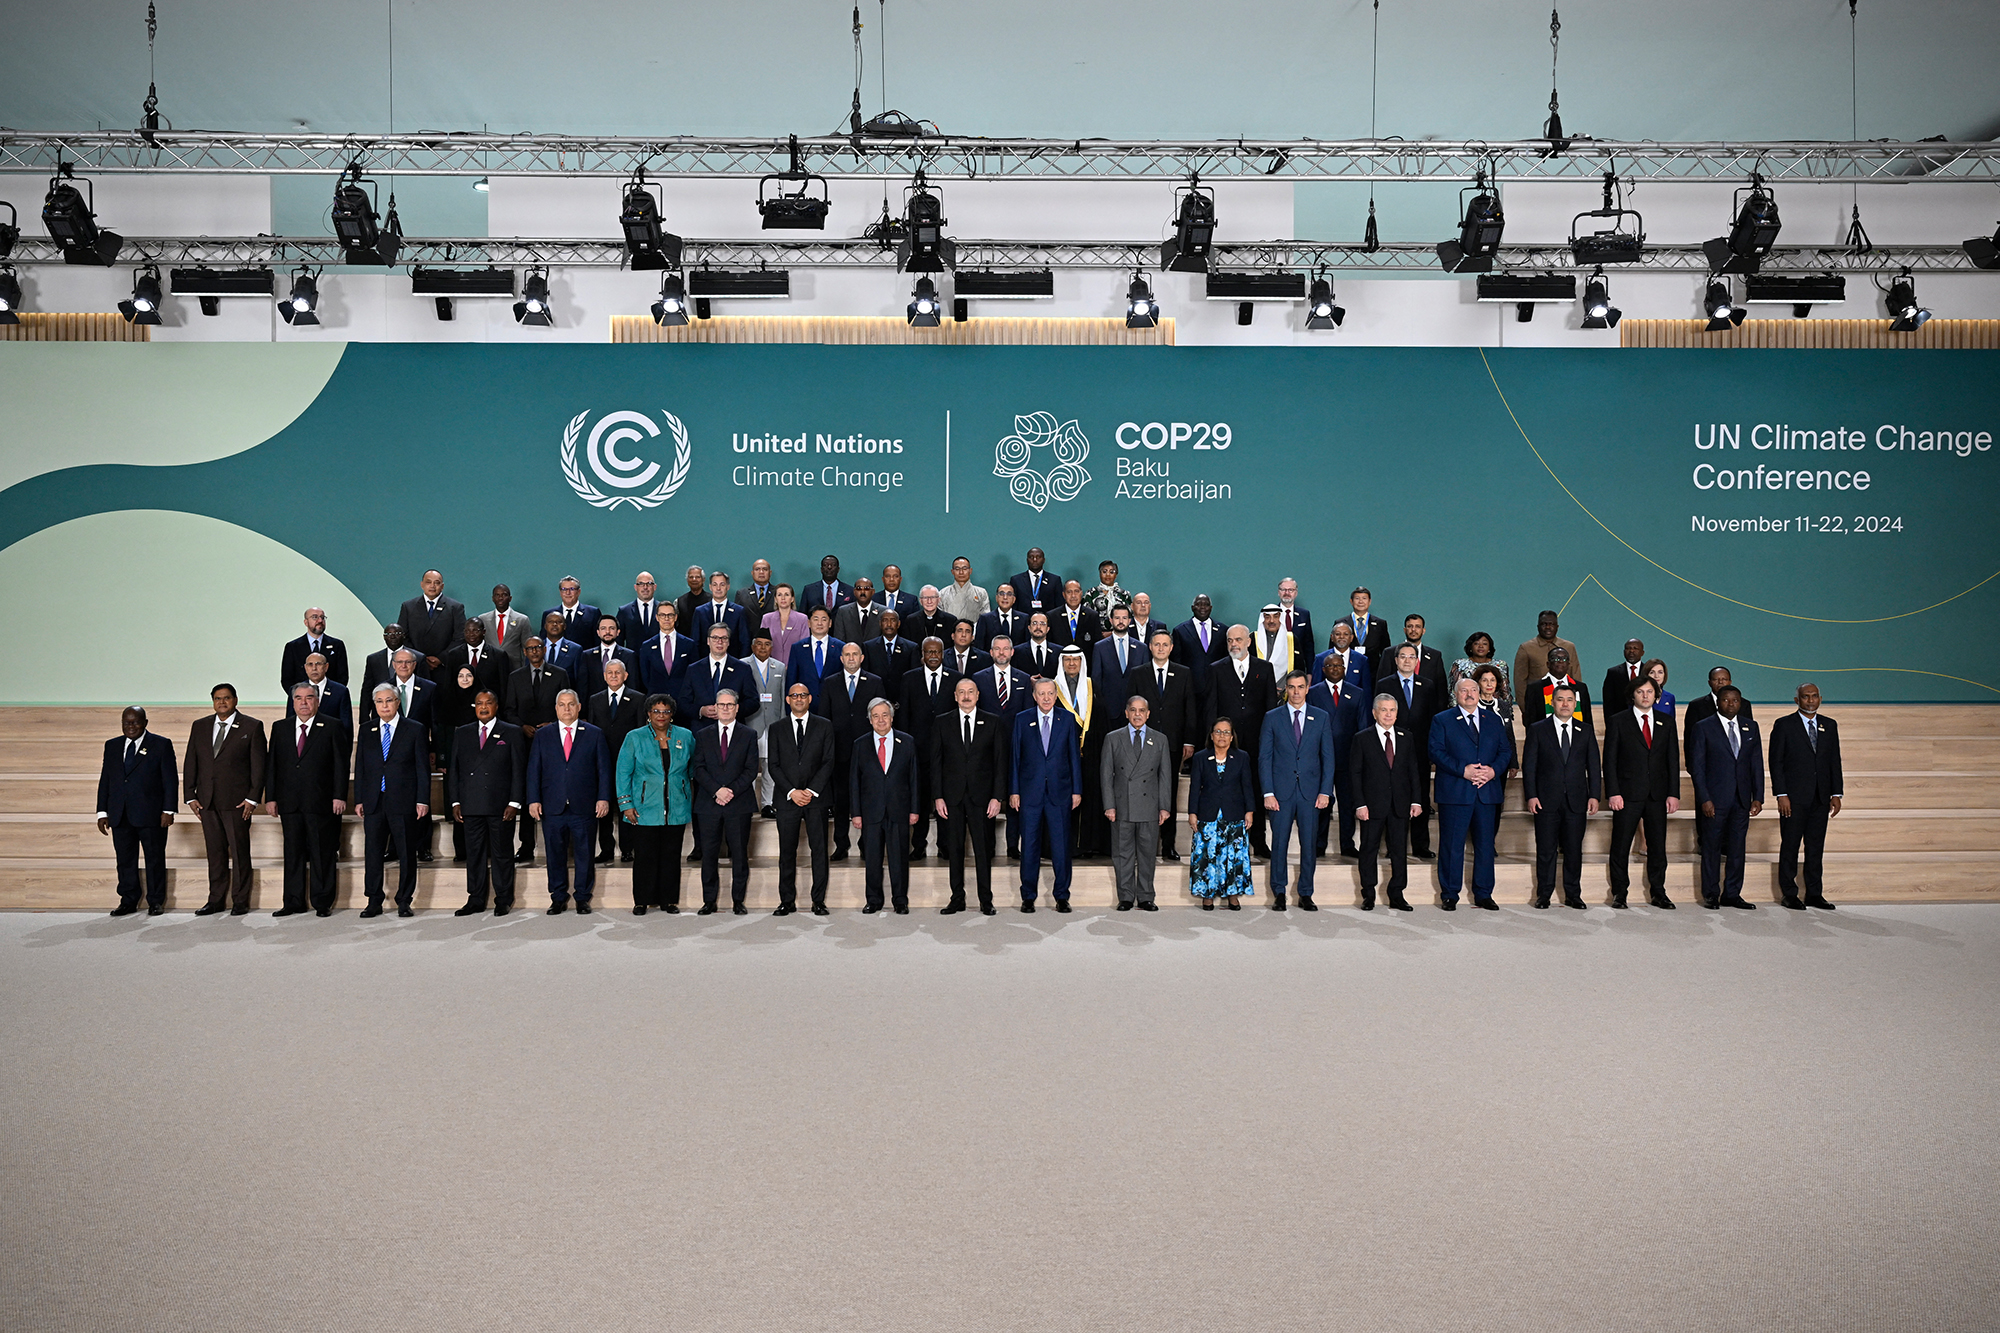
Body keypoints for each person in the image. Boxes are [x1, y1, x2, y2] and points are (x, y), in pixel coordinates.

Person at [1429, 677, 1515, 911]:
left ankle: (1484, 893)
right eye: (1463, 690)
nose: (1469, 694)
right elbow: (1435, 751)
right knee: (1452, 845)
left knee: (1485, 845)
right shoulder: (1442, 719)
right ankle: (1449, 894)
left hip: (1487, 792)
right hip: (1456, 792)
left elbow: (1505, 751)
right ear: (1456, 695)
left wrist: (1493, 771)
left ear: (1479, 693)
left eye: (1473, 690)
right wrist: (1463, 771)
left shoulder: (1493, 719)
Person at [183, 683, 266, 916]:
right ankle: (215, 900)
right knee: (215, 853)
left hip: (238, 803)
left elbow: (259, 768)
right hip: (207, 802)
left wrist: (252, 798)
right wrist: (190, 795)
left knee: (239, 852)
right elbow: (192, 761)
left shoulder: (252, 726)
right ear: (213, 701)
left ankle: (240, 900)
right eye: (218, 698)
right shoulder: (199, 726)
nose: (222, 702)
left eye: (227, 698)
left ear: (235, 700)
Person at [526, 689, 612, 914]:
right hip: (552, 805)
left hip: (584, 805)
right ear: (556, 708)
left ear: (579, 706)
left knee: (585, 853)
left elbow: (604, 770)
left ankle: (583, 897)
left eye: (571, 704)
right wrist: (533, 799)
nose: (566, 708)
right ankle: (558, 896)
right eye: (562, 705)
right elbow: (534, 769)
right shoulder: (543, 735)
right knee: (554, 854)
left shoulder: (594, 734)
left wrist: (603, 797)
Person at [266, 684, 348, 918]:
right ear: (292, 702)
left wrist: (339, 795)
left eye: (309, 698)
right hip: (289, 802)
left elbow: (341, 765)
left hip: (321, 802)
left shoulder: (332, 725)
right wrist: (270, 798)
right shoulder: (280, 728)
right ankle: (293, 901)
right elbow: (272, 766)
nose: (304, 702)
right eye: (299, 698)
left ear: (317, 701)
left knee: (322, 852)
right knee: (292, 853)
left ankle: (322, 901)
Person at [1258, 670, 1336, 910]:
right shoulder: (1272, 717)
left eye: (1300, 687)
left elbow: (1328, 758)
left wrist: (1325, 791)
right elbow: (1265, 757)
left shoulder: (1320, 717)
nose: (1296, 692)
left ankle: (1306, 893)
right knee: (1279, 844)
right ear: (1286, 690)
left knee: (1309, 845)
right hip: (1280, 793)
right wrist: (1267, 792)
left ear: (1307, 688)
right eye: (1291, 687)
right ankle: (1279, 892)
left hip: (1311, 794)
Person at [1601, 678, 1681, 909]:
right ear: (1632, 695)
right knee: (1621, 845)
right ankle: (1619, 893)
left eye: (1649, 692)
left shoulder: (1667, 722)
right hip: (1627, 794)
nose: (1645, 696)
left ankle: (1658, 892)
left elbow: (1672, 760)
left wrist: (1673, 793)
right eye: (1640, 691)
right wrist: (1613, 792)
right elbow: (1610, 760)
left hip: (1657, 794)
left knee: (1657, 847)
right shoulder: (1618, 721)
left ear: (1656, 696)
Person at [931, 678, 1007, 915]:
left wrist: (997, 797)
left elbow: (1000, 763)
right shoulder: (942, 722)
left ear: (978, 695)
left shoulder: (993, 722)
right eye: (961, 692)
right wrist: (938, 796)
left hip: (982, 798)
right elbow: (935, 763)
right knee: (954, 850)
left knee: (983, 850)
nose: (966, 696)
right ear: (955, 696)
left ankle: (986, 900)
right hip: (951, 798)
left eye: (970, 692)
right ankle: (957, 898)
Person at [1521, 682, 1599, 909]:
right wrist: (1531, 795)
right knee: (1546, 850)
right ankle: (1544, 894)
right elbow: (1530, 766)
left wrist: (1594, 795)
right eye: (1560, 699)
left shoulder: (1585, 730)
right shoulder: (1537, 729)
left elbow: (1593, 765)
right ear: (1552, 703)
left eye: (1569, 700)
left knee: (1574, 850)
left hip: (1577, 800)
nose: (1565, 704)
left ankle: (1573, 894)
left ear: (1575, 704)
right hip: (1545, 800)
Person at [446, 689, 525, 916]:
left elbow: (519, 770)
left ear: (496, 705)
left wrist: (515, 802)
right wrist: (455, 802)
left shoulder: (511, 732)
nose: (483, 707)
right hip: (470, 805)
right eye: (479, 703)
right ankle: (476, 898)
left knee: (502, 853)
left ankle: (503, 898)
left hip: (501, 805)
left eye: (488, 703)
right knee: (474, 854)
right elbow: (455, 771)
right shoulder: (462, 733)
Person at [1767, 682, 1843, 910]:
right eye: (1805, 697)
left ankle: (1814, 894)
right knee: (1790, 845)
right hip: (1793, 798)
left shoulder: (1829, 725)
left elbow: (1834, 761)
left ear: (1820, 698)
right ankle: (1789, 893)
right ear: (1796, 700)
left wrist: (1836, 793)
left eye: (1814, 696)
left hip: (1820, 798)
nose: (1810, 700)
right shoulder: (1784, 725)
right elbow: (1776, 762)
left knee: (1815, 847)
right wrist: (1781, 794)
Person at [1206, 625, 1279, 858]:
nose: (1233, 644)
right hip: (1227, 745)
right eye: (1229, 641)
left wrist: (1272, 741)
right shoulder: (1216, 669)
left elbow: (1270, 709)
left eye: (1238, 640)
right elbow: (1211, 708)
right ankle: (1231, 841)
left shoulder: (1264, 668)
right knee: (1228, 790)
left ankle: (1259, 841)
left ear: (1249, 641)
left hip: (1258, 743)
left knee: (1256, 790)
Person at [355, 684, 428, 918]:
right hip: (374, 801)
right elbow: (361, 768)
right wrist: (359, 799)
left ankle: (404, 900)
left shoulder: (414, 729)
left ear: (398, 702)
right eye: (379, 701)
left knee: (407, 853)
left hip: (404, 801)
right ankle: (374, 899)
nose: (384, 706)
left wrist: (422, 800)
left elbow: (422, 768)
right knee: (373, 852)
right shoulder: (366, 730)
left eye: (388, 700)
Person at [1687, 685, 1764, 910]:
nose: (1731, 704)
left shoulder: (1751, 727)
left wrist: (1758, 796)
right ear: (1718, 702)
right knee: (1711, 848)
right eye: (1726, 700)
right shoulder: (1703, 727)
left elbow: (1756, 764)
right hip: (1714, 800)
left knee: (1738, 848)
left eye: (1735, 701)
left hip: (1741, 799)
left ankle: (1732, 893)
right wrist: (1704, 798)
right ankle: (1711, 894)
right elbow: (1698, 768)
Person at [97, 706, 178, 916]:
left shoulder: (160, 744)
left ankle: (156, 901)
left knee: (154, 858)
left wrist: (168, 810)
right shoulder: (112, 746)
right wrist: (102, 812)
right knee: (124, 860)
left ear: (145, 723)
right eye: (126, 722)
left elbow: (170, 780)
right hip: (120, 814)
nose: (130, 726)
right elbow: (106, 780)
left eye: (135, 722)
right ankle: (128, 900)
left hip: (151, 814)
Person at [617, 694, 694, 914]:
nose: (661, 715)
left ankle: (668, 900)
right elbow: (623, 772)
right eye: (656, 711)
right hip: (643, 808)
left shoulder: (685, 736)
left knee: (671, 856)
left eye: (666, 711)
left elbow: (691, 770)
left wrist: (680, 789)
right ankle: (642, 900)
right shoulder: (634, 737)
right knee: (645, 856)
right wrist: (626, 804)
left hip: (676, 807)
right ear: (649, 714)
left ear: (672, 714)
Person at [1125, 629, 1198, 861]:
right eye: (1157, 644)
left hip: (1174, 743)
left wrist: (1188, 740)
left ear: (1171, 647)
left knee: (1169, 793)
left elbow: (1190, 710)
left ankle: (1168, 845)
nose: (1161, 648)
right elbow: (1130, 709)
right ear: (1150, 646)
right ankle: (1143, 846)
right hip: (1144, 743)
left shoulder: (1184, 673)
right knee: (1142, 794)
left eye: (1165, 644)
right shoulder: (1138, 673)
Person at [1012, 677, 1082, 912]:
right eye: (1041, 694)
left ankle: (1062, 896)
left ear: (1056, 695)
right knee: (1030, 846)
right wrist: (1014, 790)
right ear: (1034, 696)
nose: (1045, 698)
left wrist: (1076, 790)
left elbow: (1074, 757)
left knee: (1061, 848)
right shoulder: (1022, 720)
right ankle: (1028, 896)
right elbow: (1015, 758)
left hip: (1060, 793)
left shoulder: (1067, 719)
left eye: (1050, 693)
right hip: (1029, 794)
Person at [1101, 693, 1175, 910]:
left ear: (1148, 714)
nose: (1137, 714)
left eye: (1141, 710)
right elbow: (1106, 775)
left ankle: (1145, 897)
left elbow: (1165, 776)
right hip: (1122, 805)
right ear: (1126, 713)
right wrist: (1109, 805)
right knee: (1122, 854)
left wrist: (1164, 806)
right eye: (1133, 710)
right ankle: (1125, 897)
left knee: (1147, 853)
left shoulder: (1160, 739)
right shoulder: (1113, 738)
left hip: (1149, 806)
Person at [766, 682, 834, 915]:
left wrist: (811, 790)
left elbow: (828, 761)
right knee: (787, 851)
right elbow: (773, 765)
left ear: (809, 699)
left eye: (803, 695)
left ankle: (818, 901)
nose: (798, 699)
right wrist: (792, 791)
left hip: (816, 798)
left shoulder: (824, 726)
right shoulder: (776, 728)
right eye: (794, 695)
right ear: (787, 700)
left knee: (819, 850)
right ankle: (787, 901)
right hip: (787, 799)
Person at [813, 641, 883, 862]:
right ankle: (841, 844)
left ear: (862, 658)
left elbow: (882, 718)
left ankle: (866, 844)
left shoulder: (875, 682)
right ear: (841, 659)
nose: (851, 658)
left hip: (868, 752)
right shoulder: (830, 683)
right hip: (839, 752)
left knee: (868, 799)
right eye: (847, 655)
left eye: (855, 654)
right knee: (841, 800)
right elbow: (824, 719)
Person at [1350, 694, 1421, 911]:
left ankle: (1397, 894)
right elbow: (1355, 774)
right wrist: (1360, 804)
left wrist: (1416, 801)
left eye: (1392, 710)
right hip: (1372, 806)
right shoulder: (1362, 738)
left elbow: (1413, 772)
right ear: (1374, 713)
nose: (1388, 714)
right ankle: (1368, 894)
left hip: (1399, 805)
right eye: (1384, 710)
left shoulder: (1406, 737)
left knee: (1399, 850)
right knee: (1368, 849)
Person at [850, 699, 921, 913]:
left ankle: (900, 900)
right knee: (872, 858)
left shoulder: (907, 742)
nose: (880, 720)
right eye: (875, 716)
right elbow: (854, 781)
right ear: (870, 720)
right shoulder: (860, 744)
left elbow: (914, 779)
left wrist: (914, 809)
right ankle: (873, 900)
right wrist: (856, 813)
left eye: (884, 715)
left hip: (899, 810)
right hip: (871, 811)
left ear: (891, 717)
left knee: (899, 858)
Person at [503, 635, 568, 864]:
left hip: (553, 740)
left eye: (538, 647)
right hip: (525, 742)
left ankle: (560, 843)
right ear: (524, 652)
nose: (534, 652)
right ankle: (526, 845)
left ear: (544, 649)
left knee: (553, 790)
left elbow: (567, 706)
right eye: (530, 648)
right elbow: (509, 710)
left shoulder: (560, 674)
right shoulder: (515, 677)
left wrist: (552, 725)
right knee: (528, 791)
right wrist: (522, 727)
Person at [691, 690, 758, 914]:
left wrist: (730, 791)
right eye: (721, 705)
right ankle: (709, 901)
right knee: (709, 854)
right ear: (716, 708)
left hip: (738, 803)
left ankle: (738, 901)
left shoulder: (749, 734)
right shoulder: (702, 735)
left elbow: (751, 770)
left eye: (730, 705)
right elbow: (698, 768)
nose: (726, 709)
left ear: (737, 708)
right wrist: (716, 791)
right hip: (709, 804)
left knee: (739, 854)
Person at [1376, 642, 1441, 860]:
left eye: (1411, 657)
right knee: (1392, 797)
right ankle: (1394, 846)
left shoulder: (1428, 685)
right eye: (1402, 656)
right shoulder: (1385, 684)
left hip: (1421, 751)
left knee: (1420, 796)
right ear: (1395, 660)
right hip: (1392, 749)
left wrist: (1433, 751)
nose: (1407, 660)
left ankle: (1421, 845)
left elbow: (1434, 719)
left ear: (1417, 661)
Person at [900, 637, 961, 860]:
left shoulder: (955, 678)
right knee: (921, 799)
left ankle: (945, 845)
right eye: (929, 652)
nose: (933, 656)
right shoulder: (909, 678)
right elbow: (904, 716)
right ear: (922, 655)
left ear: (943, 653)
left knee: (946, 799)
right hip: (919, 751)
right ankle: (919, 845)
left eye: (937, 652)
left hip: (948, 752)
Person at [1187, 717, 1255, 909]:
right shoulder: (1201, 757)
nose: (1222, 736)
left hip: (1234, 813)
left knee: (1233, 856)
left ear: (1232, 737)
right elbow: (1194, 788)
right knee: (1207, 856)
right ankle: (1207, 895)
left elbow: (1247, 786)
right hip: (1207, 814)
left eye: (1226, 732)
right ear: (1211, 735)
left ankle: (1232, 895)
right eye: (1218, 731)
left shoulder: (1242, 757)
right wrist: (1192, 812)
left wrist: (1249, 811)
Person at [1307, 650, 1366, 860]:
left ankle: (1347, 844)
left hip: (1347, 757)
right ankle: (1319, 844)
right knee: (1322, 802)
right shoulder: (1313, 692)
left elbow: (1362, 728)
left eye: (1338, 666)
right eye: (1330, 666)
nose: (1334, 669)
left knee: (1348, 802)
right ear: (1323, 670)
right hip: (1320, 758)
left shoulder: (1357, 692)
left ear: (1345, 669)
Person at [1055, 646, 1113, 859]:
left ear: (1082, 662)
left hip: (1090, 757)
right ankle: (1065, 846)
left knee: (1090, 798)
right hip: (1061, 758)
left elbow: (1101, 721)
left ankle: (1089, 845)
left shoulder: (1092, 686)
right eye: (1067, 660)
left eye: (1076, 660)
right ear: (1061, 662)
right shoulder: (1054, 688)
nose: (1071, 664)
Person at [586, 659, 645, 862]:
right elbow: (591, 732)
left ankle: (628, 849)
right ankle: (607, 849)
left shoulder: (638, 699)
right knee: (604, 805)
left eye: (617, 672)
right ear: (604, 676)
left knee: (626, 804)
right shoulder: (595, 699)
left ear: (625, 675)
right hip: (602, 761)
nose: (613, 676)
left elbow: (640, 731)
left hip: (628, 762)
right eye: (609, 672)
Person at [386, 647, 440, 861]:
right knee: (391, 799)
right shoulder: (384, 689)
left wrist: (434, 748)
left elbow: (434, 722)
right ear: (393, 664)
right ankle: (393, 847)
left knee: (421, 795)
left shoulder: (428, 687)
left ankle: (423, 846)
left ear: (415, 664)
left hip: (419, 751)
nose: (403, 666)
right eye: (399, 662)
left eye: (408, 662)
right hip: (390, 753)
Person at [435, 664, 483, 863]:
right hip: (454, 763)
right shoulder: (447, 699)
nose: (464, 679)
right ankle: (461, 851)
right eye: (460, 675)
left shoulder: (482, 702)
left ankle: (481, 849)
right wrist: (443, 759)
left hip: (479, 763)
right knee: (458, 807)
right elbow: (441, 733)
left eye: (468, 675)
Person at [679, 624, 762, 729]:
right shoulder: (694, 669)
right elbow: (683, 702)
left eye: (724, 638)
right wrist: (701, 710)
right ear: (708, 641)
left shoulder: (742, 669)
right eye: (715, 638)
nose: (719, 641)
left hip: (734, 732)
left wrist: (731, 711)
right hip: (702, 731)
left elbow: (753, 702)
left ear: (728, 642)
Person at [741, 631, 786, 816]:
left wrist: (783, 724)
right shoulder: (742, 665)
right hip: (750, 724)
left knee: (771, 766)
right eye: (759, 643)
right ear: (752, 646)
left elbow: (783, 698)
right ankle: (749, 803)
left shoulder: (780, 667)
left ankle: (768, 804)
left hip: (773, 724)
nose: (762, 647)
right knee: (749, 765)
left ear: (772, 647)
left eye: (767, 644)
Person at [398, 569, 467, 681]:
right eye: (428, 582)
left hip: (444, 668)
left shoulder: (455, 607)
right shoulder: (408, 607)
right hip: (415, 668)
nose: (432, 586)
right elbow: (403, 637)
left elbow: (460, 637)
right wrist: (420, 659)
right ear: (422, 584)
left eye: (437, 583)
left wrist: (441, 658)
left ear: (442, 586)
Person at [1518, 645, 1594, 737]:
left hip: (1576, 740)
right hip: (1546, 740)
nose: (1561, 661)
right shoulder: (1535, 688)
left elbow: (1587, 720)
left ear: (1569, 664)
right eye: (1556, 659)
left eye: (1564, 659)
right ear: (1548, 664)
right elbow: (1531, 721)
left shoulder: (1580, 688)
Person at [286, 651, 354, 751]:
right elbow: (290, 721)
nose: (314, 668)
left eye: (318, 664)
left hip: (329, 749)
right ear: (305, 668)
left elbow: (346, 726)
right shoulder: (295, 690)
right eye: (310, 664)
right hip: (302, 747)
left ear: (326, 667)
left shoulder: (340, 691)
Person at [1511, 610, 1581, 704]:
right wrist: (1525, 709)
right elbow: (1520, 682)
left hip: (1565, 705)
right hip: (1537, 704)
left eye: (1551, 624)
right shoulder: (1526, 648)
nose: (1548, 627)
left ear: (1557, 627)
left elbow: (1576, 677)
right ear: (1538, 627)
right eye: (1544, 624)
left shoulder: (1569, 647)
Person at [280, 606, 350, 695]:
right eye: (315, 617)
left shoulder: (337, 645)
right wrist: (300, 697)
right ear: (306, 622)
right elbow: (287, 679)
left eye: (322, 617)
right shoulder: (293, 647)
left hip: (331, 701)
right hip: (303, 703)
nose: (320, 620)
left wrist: (332, 697)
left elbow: (342, 677)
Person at [442, 619, 508, 710]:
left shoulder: (498, 655)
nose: (471, 634)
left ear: (484, 632)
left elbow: (503, 687)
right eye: (467, 631)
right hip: (461, 709)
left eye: (475, 631)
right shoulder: (454, 655)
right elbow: (448, 685)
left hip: (488, 708)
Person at [785, 606, 843, 702]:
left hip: (833, 704)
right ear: (809, 623)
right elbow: (791, 680)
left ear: (830, 623)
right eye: (815, 619)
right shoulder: (797, 648)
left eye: (824, 619)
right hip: (805, 705)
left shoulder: (840, 647)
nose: (819, 623)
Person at [639, 603, 696, 697]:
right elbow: (645, 676)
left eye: (670, 615)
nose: (666, 618)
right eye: (662, 615)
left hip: (683, 698)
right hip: (656, 699)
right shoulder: (647, 646)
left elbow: (694, 674)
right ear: (657, 617)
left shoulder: (689, 644)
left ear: (676, 617)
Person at [861, 610, 917, 704]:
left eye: (892, 620)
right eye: (885, 620)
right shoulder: (868, 647)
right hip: (876, 702)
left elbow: (914, 678)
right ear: (880, 623)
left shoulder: (911, 648)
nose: (889, 624)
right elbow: (866, 676)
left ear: (898, 624)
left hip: (902, 702)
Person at [579, 615, 639, 702]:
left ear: (618, 632)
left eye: (612, 628)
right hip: (594, 706)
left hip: (622, 705)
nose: (607, 631)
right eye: (603, 628)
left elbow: (633, 685)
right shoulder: (587, 656)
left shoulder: (629, 655)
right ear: (598, 632)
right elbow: (582, 687)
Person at [1448, 631, 1511, 711]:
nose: (1481, 646)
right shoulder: (1460, 664)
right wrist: (1455, 711)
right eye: (1476, 644)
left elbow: (1505, 691)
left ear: (1489, 648)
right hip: (1467, 708)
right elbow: (1454, 692)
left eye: (1484, 644)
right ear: (1470, 647)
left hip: (1494, 707)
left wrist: (1507, 710)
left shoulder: (1500, 665)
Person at [692, 570, 748, 656]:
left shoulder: (739, 611)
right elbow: (695, 642)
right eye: (715, 585)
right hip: (706, 664)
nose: (718, 588)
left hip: (733, 663)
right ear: (710, 587)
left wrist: (740, 665)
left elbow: (745, 642)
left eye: (722, 584)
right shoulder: (700, 611)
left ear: (728, 587)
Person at [477, 584, 534, 671]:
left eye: (504, 595)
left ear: (510, 598)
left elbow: (527, 648)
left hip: (514, 668)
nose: (500, 598)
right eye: (497, 595)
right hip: (489, 667)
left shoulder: (522, 620)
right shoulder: (483, 619)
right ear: (493, 598)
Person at [1313, 619, 1371, 699]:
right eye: (1338, 634)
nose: (1342, 637)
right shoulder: (1320, 658)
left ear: (1351, 638)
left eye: (1346, 634)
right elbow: (1315, 689)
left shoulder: (1362, 660)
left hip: (1353, 707)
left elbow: (1366, 691)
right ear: (1332, 637)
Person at [1091, 605, 1143, 692]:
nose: (1121, 621)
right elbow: (1096, 679)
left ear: (1129, 621)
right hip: (1108, 703)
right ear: (1111, 620)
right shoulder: (1099, 647)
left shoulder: (1141, 648)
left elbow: (1144, 680)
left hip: (1134, 702)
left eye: (1124, 618)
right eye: (1117, 618)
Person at [542, 575, 601, 647]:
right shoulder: (549, 614)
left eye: (572, 589)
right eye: (564, 589)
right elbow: (544, 641)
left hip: (584, 657)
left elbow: (598, 641)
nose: (568, 593)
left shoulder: (593, 613)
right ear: (560, 592)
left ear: (579, 592)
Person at [761, 583, 810, 667]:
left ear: (792, 599)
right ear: (775, 599)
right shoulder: (767, 618)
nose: (783, 598)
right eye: (779, 595)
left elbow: (804, 647)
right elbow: (763, 645)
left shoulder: (802, 619)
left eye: (786, 595)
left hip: (795, 667)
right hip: (771, 667)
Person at [1343, 587, 1393, 667]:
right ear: (1351, 601)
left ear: (1369, 601)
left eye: (1364, 598)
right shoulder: (1341, 623)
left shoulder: (1380, 624)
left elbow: (1385, 651)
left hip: (1373, 670)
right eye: (1357, 598)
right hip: (1347, 669)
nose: (1360, 601)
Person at [359, 623, 407, 706]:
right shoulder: (373, 659)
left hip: (407, 708)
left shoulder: (416, 658)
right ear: (384, 637)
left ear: (403, 635)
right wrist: (364, 717)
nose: (392, 637)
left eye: (397, 633)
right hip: (381, 710)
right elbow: (367, 690)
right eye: (388, 634)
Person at [1007, 548, 1063, 617]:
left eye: (1038, 557)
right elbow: (1013, 605)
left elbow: (1059, 605)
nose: (1035, 560)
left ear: (1043, 560)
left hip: (1048, 622)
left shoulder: (1054, 580)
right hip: (1023, 623)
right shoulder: (1016, 580)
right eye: (1031, 557)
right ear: (1027, 560)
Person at [615, 571, 663, 650]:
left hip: (659, 660)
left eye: (649, 583)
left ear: (655, 587)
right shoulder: (624, 611)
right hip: (633, 660)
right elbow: (618, 641)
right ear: (635, 587)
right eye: (641, 584)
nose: (645, 587)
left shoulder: (663, 610)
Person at [976, 581, 1029, 653]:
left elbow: (1026, 645)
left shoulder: (1024, 618)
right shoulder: (985, 619)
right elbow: (979, 646)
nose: (1005, 597)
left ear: (1014, 599)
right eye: (1001, 594)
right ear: (997, 598)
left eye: (1009, 594)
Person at [1601, 638, 1648, 716]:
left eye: (1635, 648)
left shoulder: (1648, 671)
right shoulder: (1613, 673)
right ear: (1624, 652)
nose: (1631, 651)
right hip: (1620, 720)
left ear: (1642, 652)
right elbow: (1608, 703)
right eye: (1628, 648)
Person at [1049, 581, 1101, 650]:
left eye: (1076, 591)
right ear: (1064, 595)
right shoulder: (1052, 616)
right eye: (1069, 592)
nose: (1073, 595)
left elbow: (1097, 644)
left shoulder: (1092, 616)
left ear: (1081, 593)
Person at [937, 555, 989, 625]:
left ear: (970, 571)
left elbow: (985, 618)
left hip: (974, 633)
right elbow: (939, 618)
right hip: (950, 633)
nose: (961, 572)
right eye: (957, 569)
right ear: (952, 572)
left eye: (964, 568)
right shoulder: (942, 593)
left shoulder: (981, 593)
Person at [1252, 604, 1302, 675]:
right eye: (1267, 617)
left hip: (1285, 684)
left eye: (1276, 616)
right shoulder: (1253, 638)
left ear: (1281, 618)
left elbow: (1299, 666)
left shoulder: (1291, 638)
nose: (1271, 621)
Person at [538, 610, 584, 681]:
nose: (555, 624)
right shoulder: (535, 647)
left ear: (565, 626)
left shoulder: (575, 649)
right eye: (551, 622)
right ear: (545, 626)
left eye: (559, 622)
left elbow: (579, 678)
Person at [1018, 613, 1059, 679]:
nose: (1038, 627)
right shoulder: (1018, 652)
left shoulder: (1058, 651)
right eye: (1034, 623)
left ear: (1048, 629)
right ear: (1029, 628)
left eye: (1042, 624)